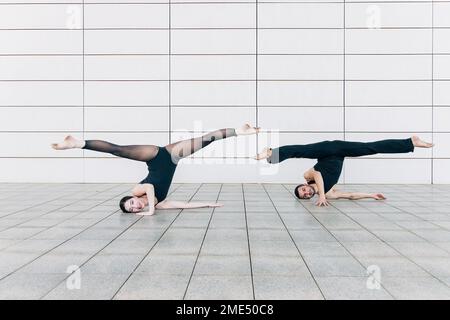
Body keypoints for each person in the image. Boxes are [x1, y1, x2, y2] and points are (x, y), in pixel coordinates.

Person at [52, 124, 260, 215]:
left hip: (153, 156)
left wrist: (151, 209)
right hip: (172, 157)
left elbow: (150, 188)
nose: (135, 206)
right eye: (133, 209)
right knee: (205, 140)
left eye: (131, 204)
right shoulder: (160, 205)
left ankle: (78, 143)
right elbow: (183, 205)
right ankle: (239, 132)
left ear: (131, 198)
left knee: (119, 150)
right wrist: (208, 204)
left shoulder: (138, 192)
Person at [255, 136, 434, 207]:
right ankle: (411, 142)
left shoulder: (308, 176)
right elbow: (349, 195)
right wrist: (372, 195)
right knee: (371, 148)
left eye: (302, 190)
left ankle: (270, 153)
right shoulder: (330, 193)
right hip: (341, 152)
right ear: (307, 197)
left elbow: (318, 174)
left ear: (303, 185)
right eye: (304, 195)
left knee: (301, 150)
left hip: (326, 149)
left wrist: (322, 196)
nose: (306, 191)